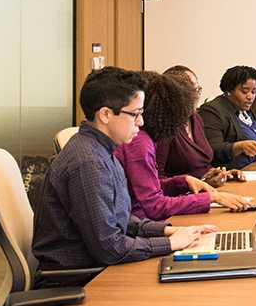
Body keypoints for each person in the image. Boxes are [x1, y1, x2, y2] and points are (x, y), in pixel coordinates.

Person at [32, 67, 213, 269]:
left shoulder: (103, 150)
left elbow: (121, 219)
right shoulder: (89, 163)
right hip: (82, 277)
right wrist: (170, 243)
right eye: (135, 114)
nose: (141, 122)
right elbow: (110, 247)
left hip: (99, 265)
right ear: (106, 114)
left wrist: (168, 231)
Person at [115, 72, 252, 220]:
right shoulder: (139, 143)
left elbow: (150, 186)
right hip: (144, 223)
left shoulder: (145, 138)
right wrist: (211, 198)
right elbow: (154, 205)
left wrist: (183, 181)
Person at [154, 65, 236, 187]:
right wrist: (195, 184)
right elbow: (157, 179)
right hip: (182, 198)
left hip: (206, 191)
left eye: (198, 90)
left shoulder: (195, 118)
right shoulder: (165, 125)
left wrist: (220, 174)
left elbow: (202, 166)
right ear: (175, 93)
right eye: (192, 91)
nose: (197, 96)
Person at [198, 66, 256, 169]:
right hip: (231, 174)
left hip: (254, 168)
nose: (250, 97)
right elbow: (211, 149)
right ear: (229, 90)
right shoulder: (212, 111)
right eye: (245, 91)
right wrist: (238, 147)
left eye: (254, 92)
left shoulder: (247, 110)